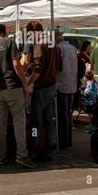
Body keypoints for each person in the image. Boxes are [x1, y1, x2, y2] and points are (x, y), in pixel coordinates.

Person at [0, 24, 36, 168]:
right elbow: (16, 64)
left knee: (0, 123)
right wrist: (25, 83)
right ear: (5, 33)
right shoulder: (10, 42)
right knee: (19, 121)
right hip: (13, 87)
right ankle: (22, 155)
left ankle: (1, 156)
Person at [27, 22, 62, 162]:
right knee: (48, 119)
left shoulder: (40, 45)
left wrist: (28, 83)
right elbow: (60, 66)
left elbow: (38, 68)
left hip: (42, 86)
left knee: (36, 120)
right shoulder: (52, 43)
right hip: (52, 84)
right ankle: (50, 148)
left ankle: (33, 149)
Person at [55, 30, 78, 149]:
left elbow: (58, 67)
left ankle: (63, 141)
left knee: (63, 114)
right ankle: (68, 140)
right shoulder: (72, 48)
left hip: (62, 83)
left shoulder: (59, 49)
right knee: (68, 113)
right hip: (71, 84)